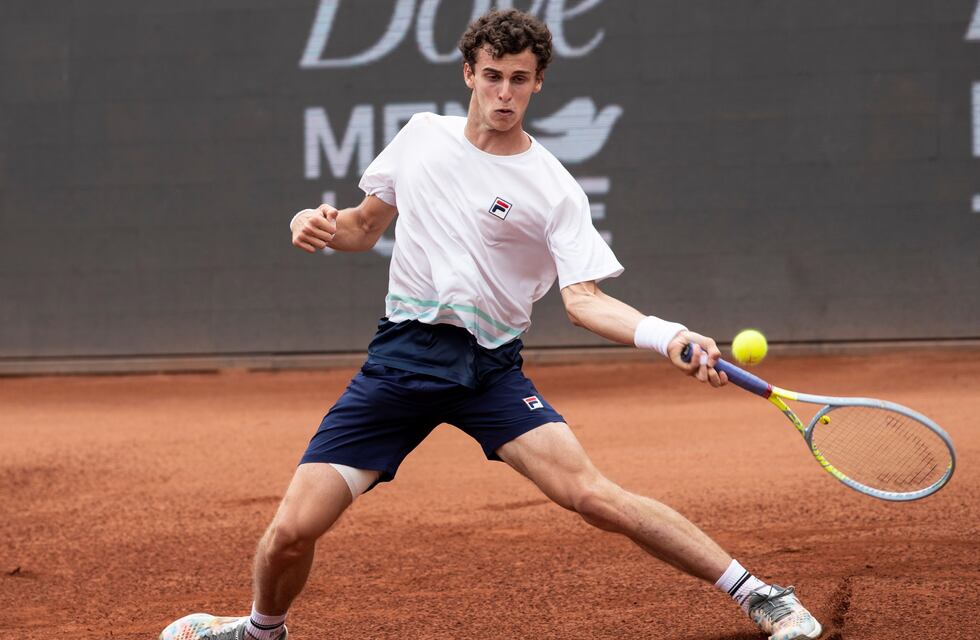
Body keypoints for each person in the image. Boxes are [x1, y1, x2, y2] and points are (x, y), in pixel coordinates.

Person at [161, 9, 822, 640]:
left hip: (488, 372)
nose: (505, 93)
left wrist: (665, 334)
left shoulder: (552, 188)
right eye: (493, 75)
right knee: (290, 532)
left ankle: (761, 594)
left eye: (520, 79)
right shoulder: (421, 137)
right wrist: (316, 223)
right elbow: (363, 228)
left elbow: (584, 300)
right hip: (397, 364)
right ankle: (260, 630)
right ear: (469, 75)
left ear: (538, 83)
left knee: (593, 495)